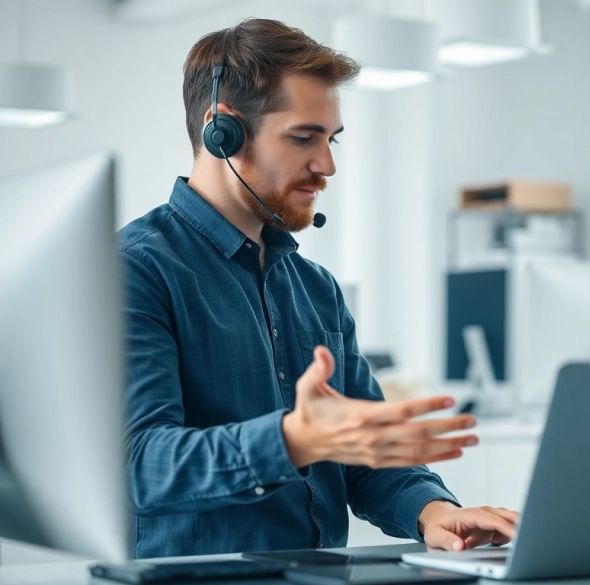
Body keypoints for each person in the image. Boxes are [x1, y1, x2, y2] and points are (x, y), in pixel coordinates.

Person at [119, 19, 517, 559]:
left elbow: (364, 455)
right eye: (304, 137)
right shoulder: (135, 270)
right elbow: (139, 464)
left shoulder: (315, 286)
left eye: (331, 140)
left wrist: (435, 512)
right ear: (223, 132)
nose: (326, 166)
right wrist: (294, 439)